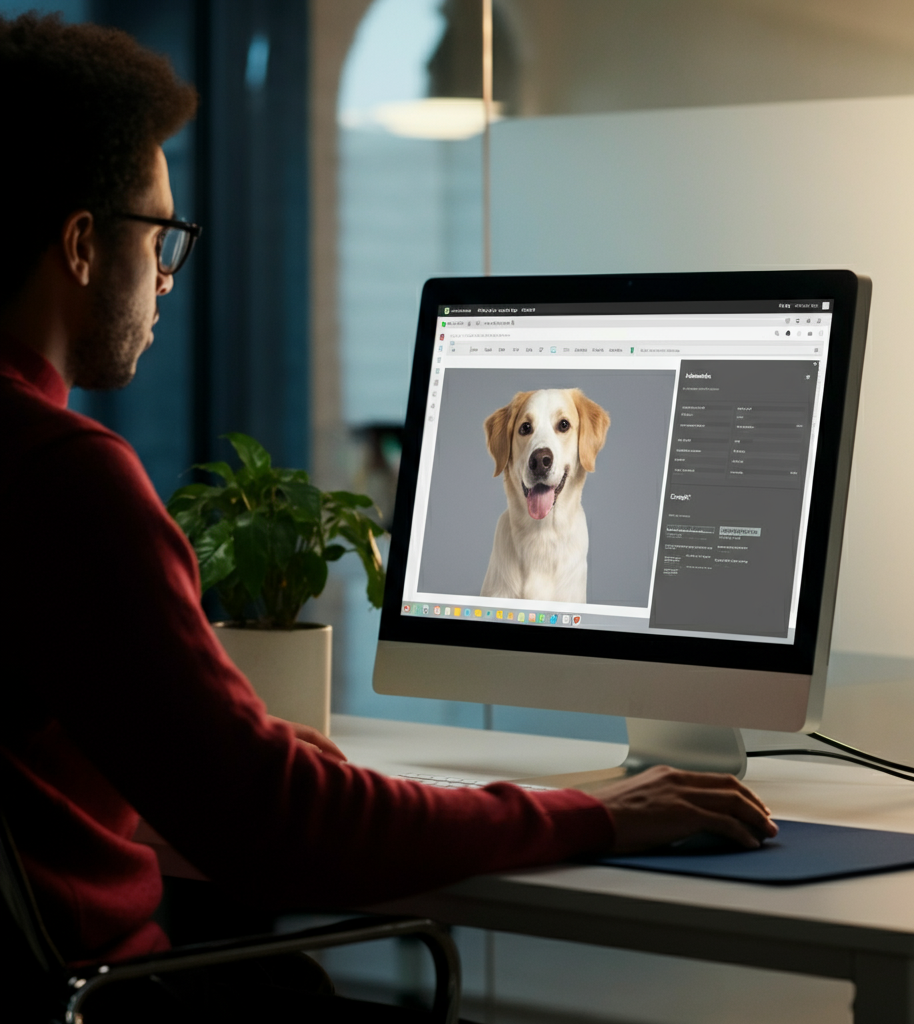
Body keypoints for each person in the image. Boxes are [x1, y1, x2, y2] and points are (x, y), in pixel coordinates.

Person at [0, 13, 776, 1021]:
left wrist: (225, 759)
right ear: (79, 244)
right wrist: (592, 814)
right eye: (160, 237)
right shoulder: (63, 480)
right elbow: (282, 830)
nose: (166, 279)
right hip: (119, 994)